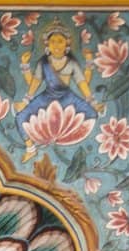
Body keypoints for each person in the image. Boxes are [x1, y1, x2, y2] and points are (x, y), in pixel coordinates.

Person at [14, 21, 102, 159]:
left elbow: (82, 83)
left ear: (66, 43)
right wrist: (25, 99)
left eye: (60, 41)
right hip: (47, 96)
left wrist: (93, 102)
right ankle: (30, 148)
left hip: (67, 97)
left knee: (92, 113)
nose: (56, 45)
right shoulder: (43, 62)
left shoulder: (71, 63)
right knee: (20, 117)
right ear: (47, 44)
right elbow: (34, 83)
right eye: (53, 41)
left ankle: (67, 136)